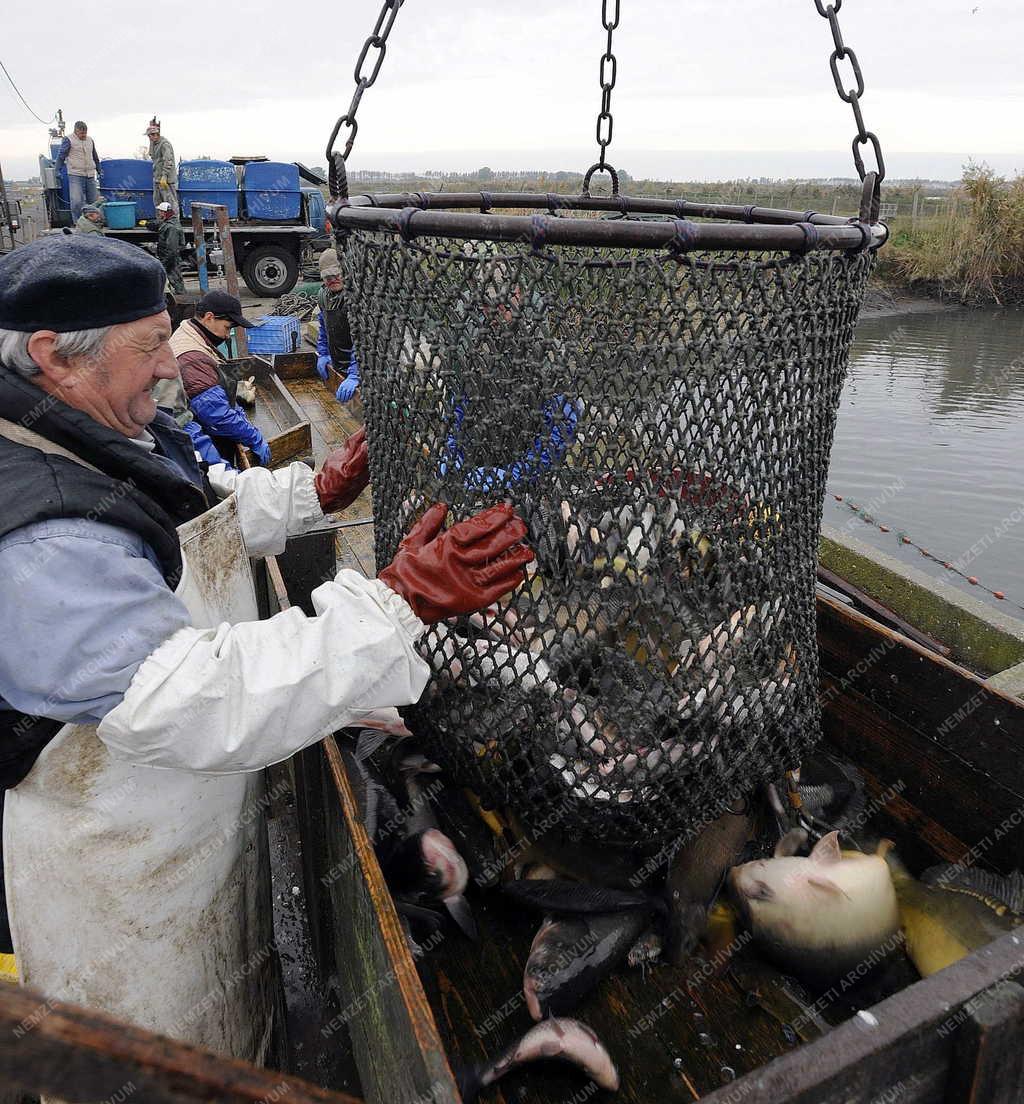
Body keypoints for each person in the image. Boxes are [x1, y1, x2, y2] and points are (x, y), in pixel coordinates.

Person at [0, 233, 532, 1062]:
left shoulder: (89, 430)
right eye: (151, 349)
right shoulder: (40, 531)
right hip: (128, 875)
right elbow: (189, 702)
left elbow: (190, 514)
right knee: (167, 1061)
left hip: (190, 820)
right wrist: (398, 601)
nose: (174, 366)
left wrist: (309, 494)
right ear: (54, 357)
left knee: (241, 1019)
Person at [170, 290, 271, 465]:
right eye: (227, 328)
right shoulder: (192, 357)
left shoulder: (191, 333)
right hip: (196, 440)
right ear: (209, 317)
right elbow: (217, 415)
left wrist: (238, 411)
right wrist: (254, 437)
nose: (226, 335)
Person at [315, 248, 360, 403]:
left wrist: (356, 373)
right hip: (339, 365)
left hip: (364, 367)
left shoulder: (358, 297)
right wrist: (323, 354)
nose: (332, 280)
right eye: (327, 277)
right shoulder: (323, 296)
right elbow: (324, 329)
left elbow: (364, 341)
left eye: (336, 274)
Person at [54, 120, 102, 221]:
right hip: (75, 174)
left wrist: (99, 169)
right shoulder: (68, 140)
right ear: (76, 131)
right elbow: (61, 156)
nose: (83, 135)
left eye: (85, 133)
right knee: (76, 201)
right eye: (81, 133)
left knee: (94, 201)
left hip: (90, 174)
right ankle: (77, 222)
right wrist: (57, 170)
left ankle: (93, 222)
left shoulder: (90, 140)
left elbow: (95, 156)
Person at [146, 117, 177, 212]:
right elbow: (151, 155)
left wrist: (164, 176)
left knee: (170, 203)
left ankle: (174, 223)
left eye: (150, 136)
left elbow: (168, 160)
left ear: (155, 135)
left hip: (166, 180)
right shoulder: (155, 144)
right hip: (157, 178)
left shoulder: (164, 144)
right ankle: (161, 223)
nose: (149, 138)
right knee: (158, 203)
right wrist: (151, 143)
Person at [155, 201, 185, 293]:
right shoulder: (170, 222)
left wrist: (165, 261)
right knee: (174, 278)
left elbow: (172, 248)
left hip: (170, 257)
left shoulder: (171, 228)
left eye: (160, 211)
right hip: (169, 256)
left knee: (175, 280)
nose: (159, 213)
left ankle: (182, 300)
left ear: (164, 212)